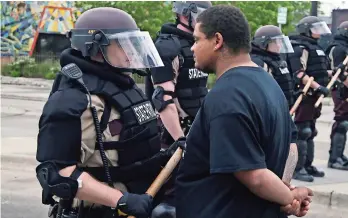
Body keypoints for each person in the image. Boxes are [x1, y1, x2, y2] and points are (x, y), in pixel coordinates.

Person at [35, 7, 184, 218]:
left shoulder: (124, 86)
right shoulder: (74, 100)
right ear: (95, 47)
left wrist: (164, 158)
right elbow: (57, 173)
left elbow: (127, 149)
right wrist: (120, 200)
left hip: (139, 206)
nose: (130, 52)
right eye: (123, 44)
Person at [175, 5, 312, 218]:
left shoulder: (227, 96)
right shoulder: (269, 82)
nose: (192, 48)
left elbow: (254, 175)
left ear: (217, 41)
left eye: (197, 40)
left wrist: (288, 197)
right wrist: (284, 188)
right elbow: (291, 145)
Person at [147, 1, 212, 147]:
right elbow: (162, 99)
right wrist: (181, 142)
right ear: (184, 13)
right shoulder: (167, 47)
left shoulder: (199, 44)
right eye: (201, 15)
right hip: (175, 134)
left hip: (199, 126)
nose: (206, 22)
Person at [286, 16, 331, 182]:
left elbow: (319, 70)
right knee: (302, 131)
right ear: (307, 29)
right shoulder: (300, 47)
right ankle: (298, 169)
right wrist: (317, 87)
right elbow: (299, 73)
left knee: (311, 130)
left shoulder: (315, 47)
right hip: (305, 95)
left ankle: (308, 164)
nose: (319, 31)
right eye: (316, 28)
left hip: (315, 97)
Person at [251, 25, 295, 109]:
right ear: (264, 43)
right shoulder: (258, 63)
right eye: (276, 42)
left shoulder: (276, 59)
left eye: (280, 41)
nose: (279, 45)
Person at [325, 20, 348, 170]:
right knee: (341, 121)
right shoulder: (337, 48)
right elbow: (338, 73)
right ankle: (334, 158)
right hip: (339, 88)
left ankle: (339, 155)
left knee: (345, 121)